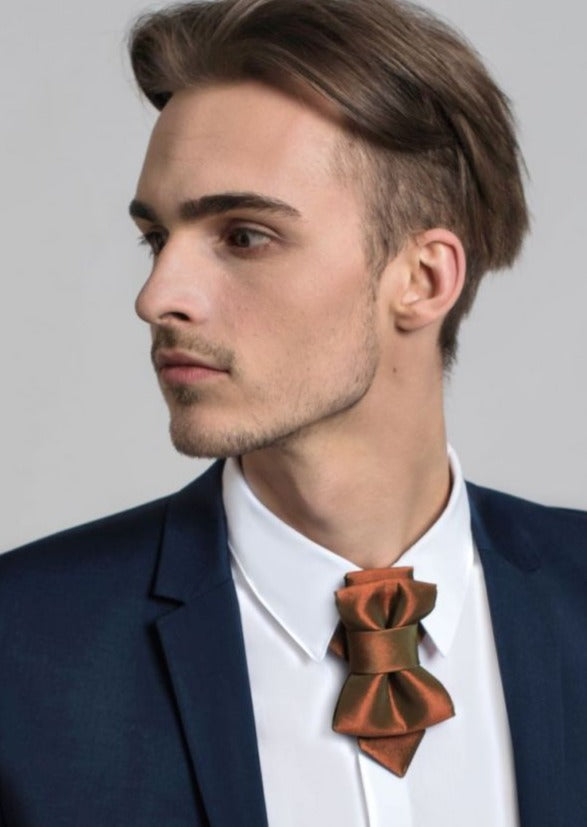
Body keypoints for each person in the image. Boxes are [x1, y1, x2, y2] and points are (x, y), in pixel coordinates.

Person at [1, 0, 585, 824]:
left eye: (244, 236)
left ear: (422, 279)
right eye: (155, 239)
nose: (157, 296)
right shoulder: (21, 648)